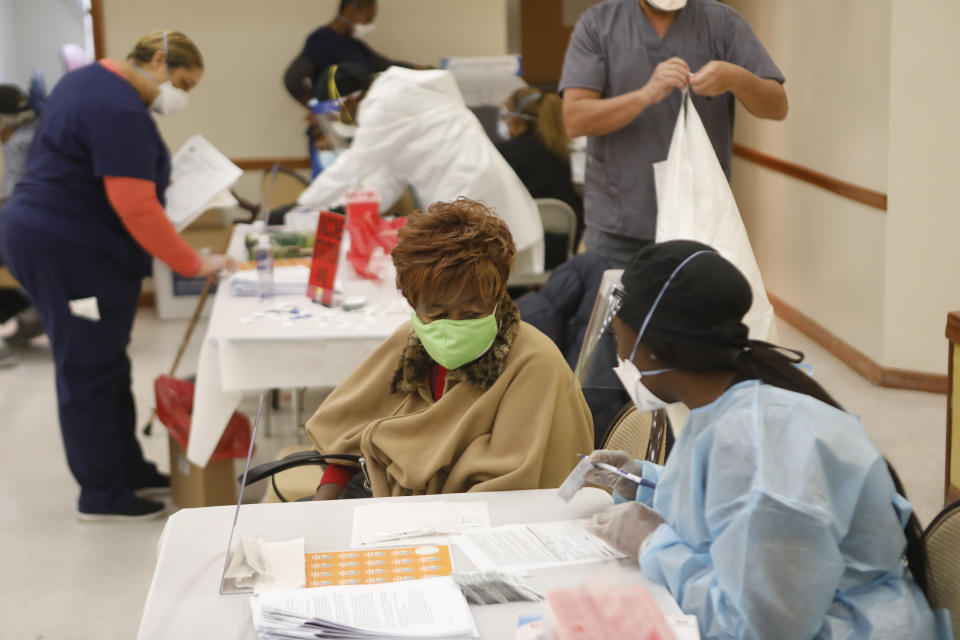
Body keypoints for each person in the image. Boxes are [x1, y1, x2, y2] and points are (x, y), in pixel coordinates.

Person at [581, 240, 952, 639]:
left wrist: (653, 543)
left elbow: (758, 628)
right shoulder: (727, 400)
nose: (619, 354)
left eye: (619, 336)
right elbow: (728, 508)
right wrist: (645, 481)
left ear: (654, 350)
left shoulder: (765, 446)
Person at [0, 30, 235, 520]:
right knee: (87, 366)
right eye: (183, 83)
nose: (181, 97)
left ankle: (127, 469)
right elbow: (136, 208)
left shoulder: (87, 82)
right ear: (156, 61)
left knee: (107, 361)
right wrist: (193, 264)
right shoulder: (119, 109)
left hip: (65, 241)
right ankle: (102, 495)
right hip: (67, 250)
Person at [307, 198, 593, 500]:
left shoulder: (534, 365)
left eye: (471, 314)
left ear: (497, 298)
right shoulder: (412, 341)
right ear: (413, 305)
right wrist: (321, 507)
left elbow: (508, 494)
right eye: (439, 315)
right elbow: (346, 440)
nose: (453, 327)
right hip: (394, 508)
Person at [560, 0, 787, 268]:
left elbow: (777, 106)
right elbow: (575, 120)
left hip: (700, 225)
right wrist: (646, 95)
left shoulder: (722, 24)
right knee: (618, 306)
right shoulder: (599, 25)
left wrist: (736, 78)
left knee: (695, 308)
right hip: (619, 227)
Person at [298, 65, 545, 276]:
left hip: (471, 191)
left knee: (476, 287)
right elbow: (388, 179)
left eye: (336, 112)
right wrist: (344, 208)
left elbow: (354, 164)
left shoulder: (383, 102)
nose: (339, 121)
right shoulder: (396, 100)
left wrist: (304, 206)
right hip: (470, 192)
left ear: (350, 101)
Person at [496, 87, 583, 268]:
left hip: (520, 248)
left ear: (516, 119)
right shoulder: (560, 152)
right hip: (559, 250)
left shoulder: (505, 153)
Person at [283, 0, 414, 105]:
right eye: (368, 18)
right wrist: (319, 109)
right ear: (352, 9)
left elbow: (386, 66)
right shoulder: (321, 40)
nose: (369, 25)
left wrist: (423, 70)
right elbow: (292, 79)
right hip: (341, 120)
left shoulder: (355, 44)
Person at [0, 84, 44, 366]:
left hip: (31, 234)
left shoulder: (17, 143)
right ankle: (32, 316)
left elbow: (13, 200)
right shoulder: (35, 133)